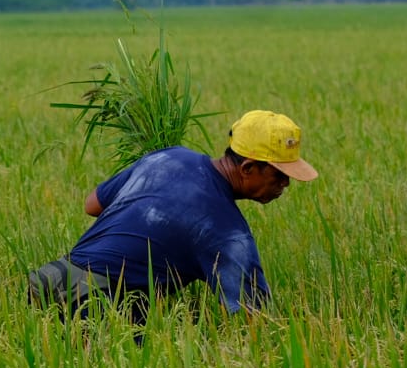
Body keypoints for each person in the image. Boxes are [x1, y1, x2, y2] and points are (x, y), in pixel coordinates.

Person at [28, 109, 318, 328]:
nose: (286, 185)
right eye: (280, 175)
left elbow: (92, 204)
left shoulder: (168, 157)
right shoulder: (226, 233)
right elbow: (254, 318)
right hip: (94, 308)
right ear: (248, 168)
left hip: (48, 280)